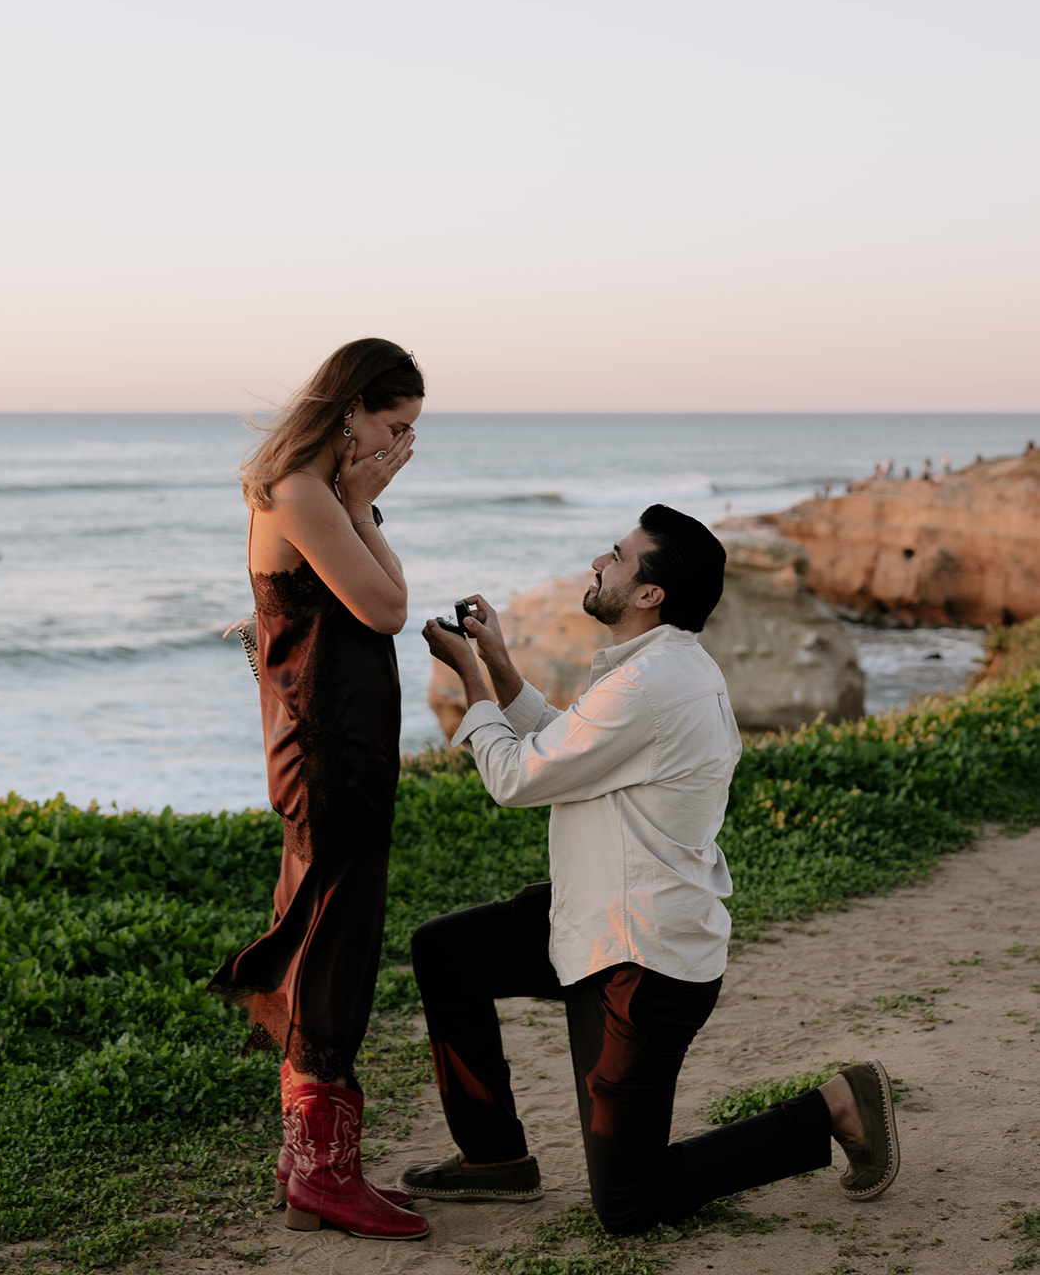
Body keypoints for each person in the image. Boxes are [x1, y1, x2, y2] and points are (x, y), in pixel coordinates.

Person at [404, 505, 900, 1235]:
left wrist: (472, 678)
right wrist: (502, 666)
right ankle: (493, 1159)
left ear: (648, 595)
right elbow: (569, 743)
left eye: (614, 556)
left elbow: (514, 778)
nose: (596, 565)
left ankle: (832, 1109)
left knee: (628, 1203)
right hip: (590, 918)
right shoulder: (656, 671)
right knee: (445, 952)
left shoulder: (648, 685)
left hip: (639, 963)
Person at [208, 339, 430, 1241]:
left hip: (345, 745)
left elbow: (392, 593)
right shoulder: (301, 492)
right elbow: (384, 610)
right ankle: (321, 1176)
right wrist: (358, 501)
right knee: (329, 945)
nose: (399, 443)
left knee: (333, 936)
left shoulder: (320, 493)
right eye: (393, 424)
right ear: (349, 412)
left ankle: (312, 1167)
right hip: (326, 752)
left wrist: (360, 503)